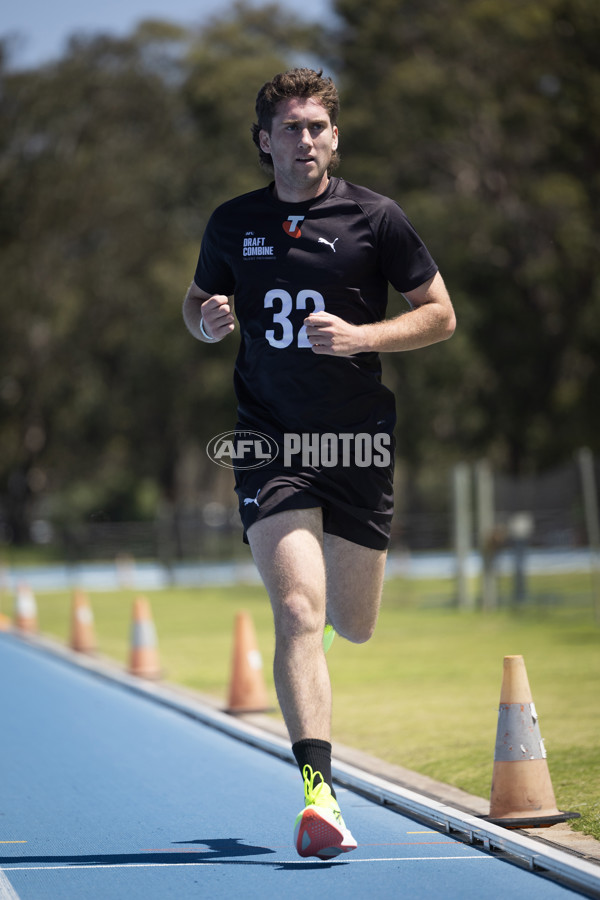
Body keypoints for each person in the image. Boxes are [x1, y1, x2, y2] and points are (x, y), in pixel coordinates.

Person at [183, 68, 455, 860]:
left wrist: (364, 337)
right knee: (299, 609)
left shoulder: (377, 217)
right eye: (290, 128)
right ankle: (319, 797)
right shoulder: (233, 223)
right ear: (264, 140)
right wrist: (206, 322)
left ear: (335, 136)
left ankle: (327, 650)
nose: (305, 139)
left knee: (353, 624)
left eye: (317, 127)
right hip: (269, 439)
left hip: (357, 442)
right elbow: (196, 306)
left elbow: (440, 315)